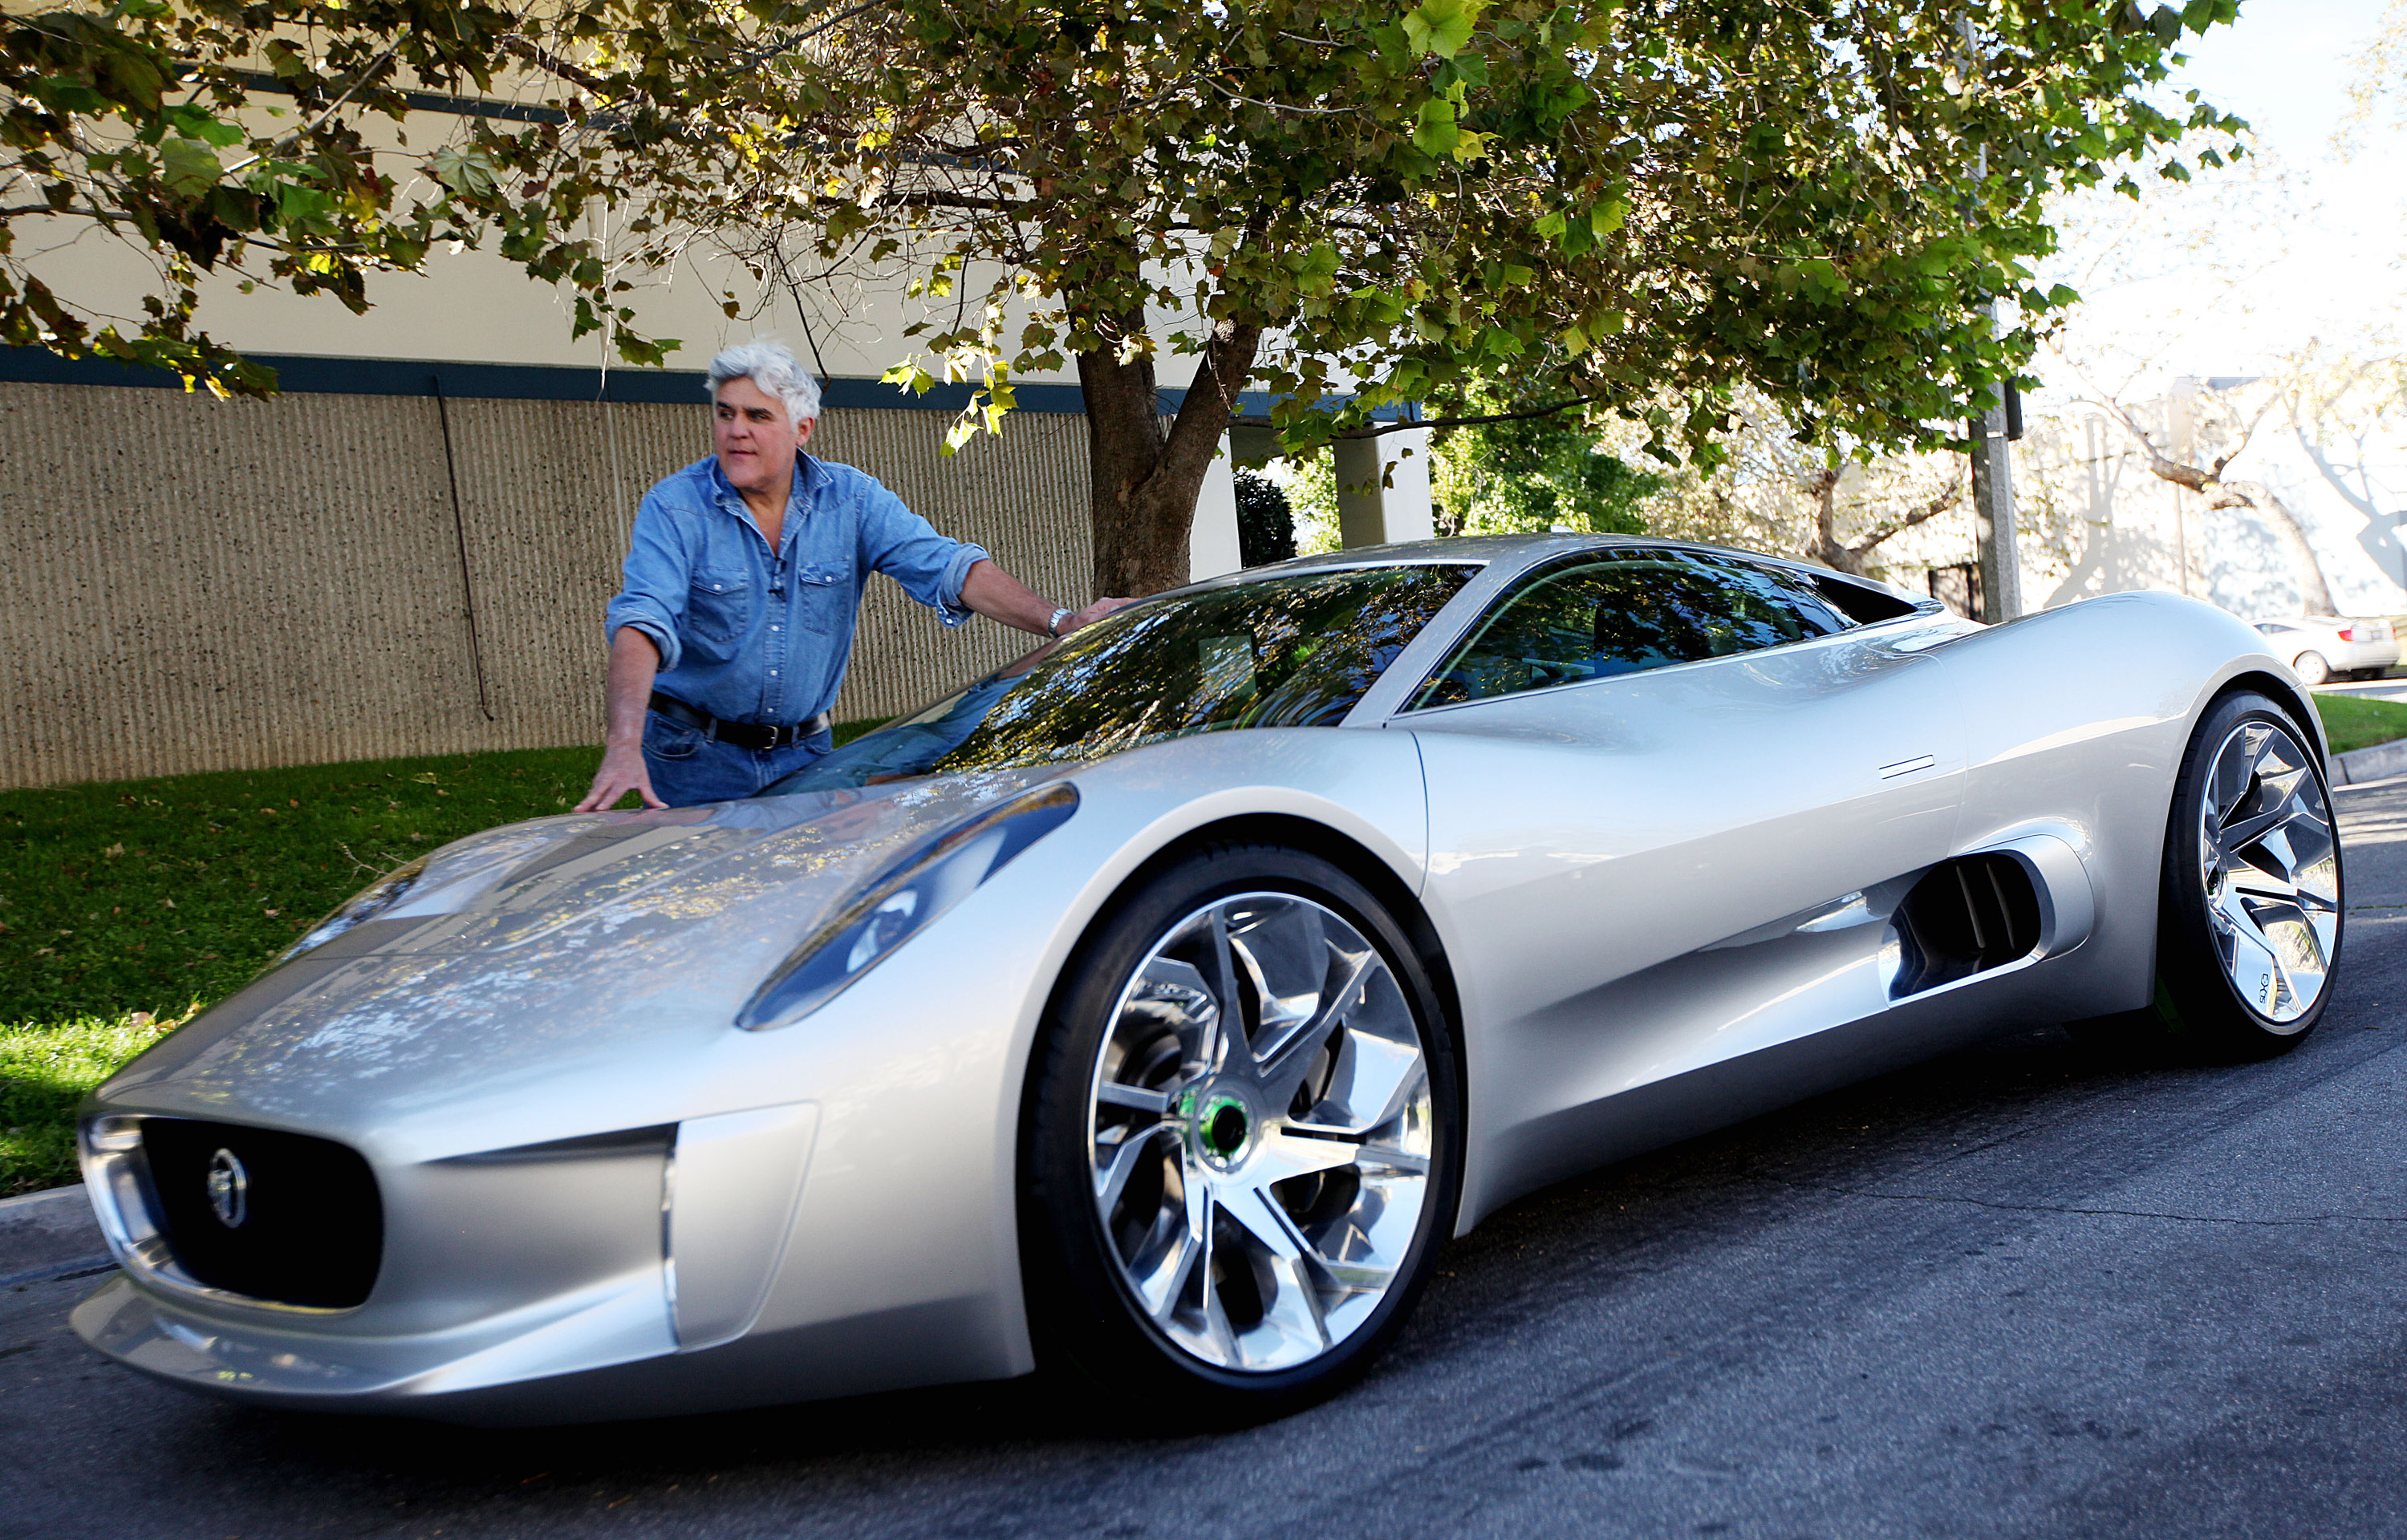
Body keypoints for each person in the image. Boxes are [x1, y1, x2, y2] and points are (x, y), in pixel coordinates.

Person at [577, 338, 1126, 810]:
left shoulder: (853, 500)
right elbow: (642, 623)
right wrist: (624, 743)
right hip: (693, 759)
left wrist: (1060, 621)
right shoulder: (675, 507)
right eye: (725, 413)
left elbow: (950, 568)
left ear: (803, 428)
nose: (736, 431)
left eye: (757, 416)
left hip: (807, 757)